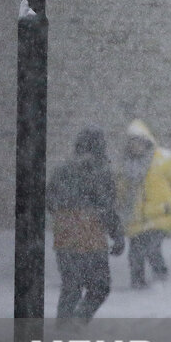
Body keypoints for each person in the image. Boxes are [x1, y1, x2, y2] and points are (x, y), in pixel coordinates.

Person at [47, 126, 125, 327]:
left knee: (71, 288)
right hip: (91, 237)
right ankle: (77, 323)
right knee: (100, 287)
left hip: (65, 237)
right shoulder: (100, 171)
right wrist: (117, 235)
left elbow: (49, 201)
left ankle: (62, 328)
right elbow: (107, 208)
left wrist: (66, 219)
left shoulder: (61, 170)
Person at [118, 119, 171, 289]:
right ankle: (138, 285)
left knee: (151, 248)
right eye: (132, 143)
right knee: (134, 255)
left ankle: (163, 281)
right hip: (136, 219)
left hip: (161, 215)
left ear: (146, 141)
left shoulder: (162, 159)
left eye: (138, 142)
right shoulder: (127, 165)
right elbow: (121, 191)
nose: (135, 147)